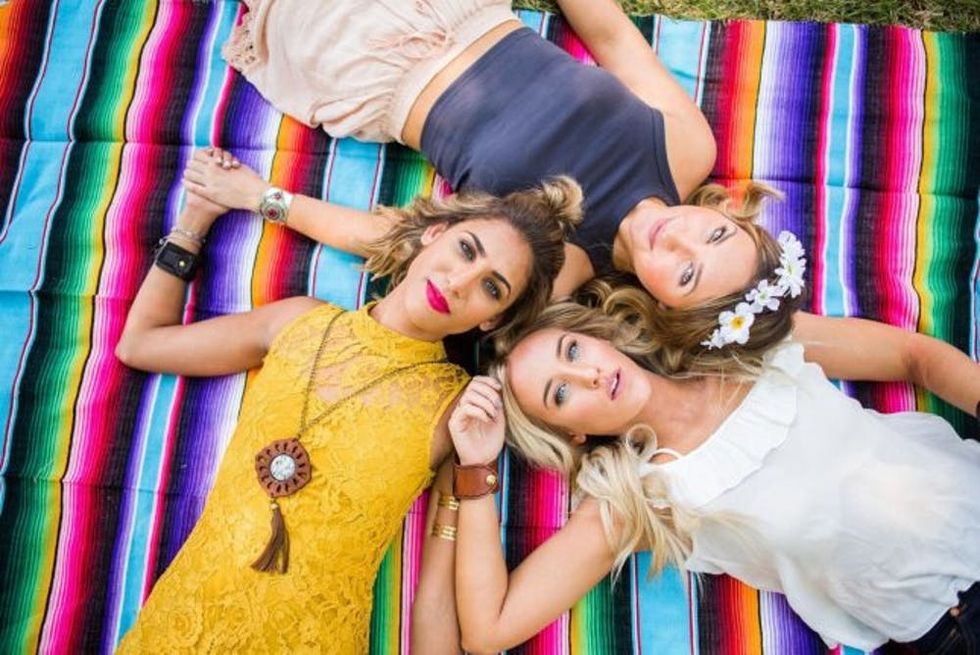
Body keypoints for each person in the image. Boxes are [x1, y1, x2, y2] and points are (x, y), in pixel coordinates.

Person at [416, 236, 980, 653]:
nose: (588, 375)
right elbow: (489, 629)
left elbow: (913, 357)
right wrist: (476, 467)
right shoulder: (642, 495)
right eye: (560, 393)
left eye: (573, 351)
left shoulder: (736, 340)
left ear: (598, 337)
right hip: (954, 622)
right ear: (570, 433)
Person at [113, 149, 579, 652]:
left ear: (492, 319)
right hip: (174, 629)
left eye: (491, 287)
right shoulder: (297, 321)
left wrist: (479, 464)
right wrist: (194, 220)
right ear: (435, 234)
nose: (459, 282)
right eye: (466, 250)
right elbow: (139, 345)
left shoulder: (458, 413)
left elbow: (436, 599)